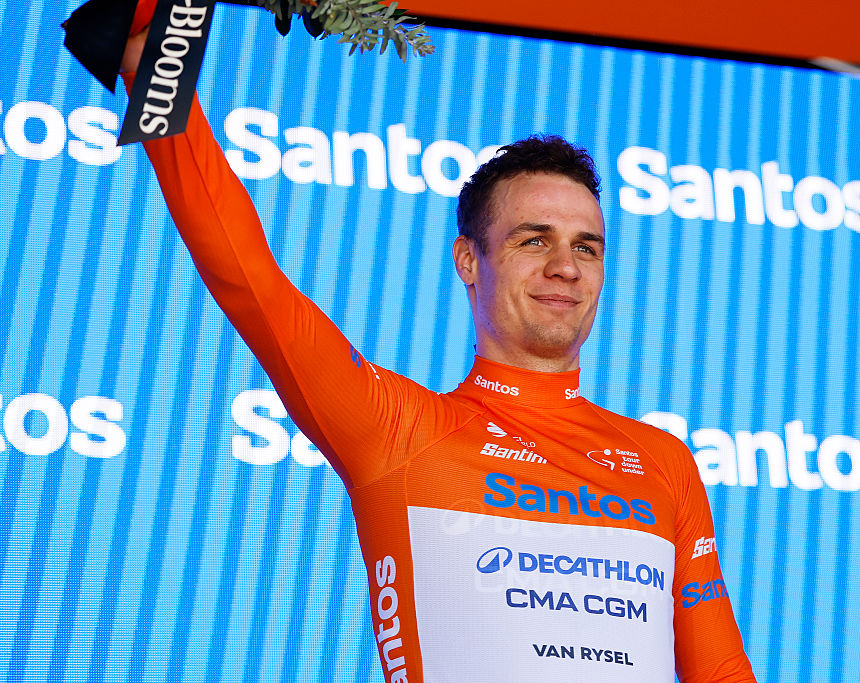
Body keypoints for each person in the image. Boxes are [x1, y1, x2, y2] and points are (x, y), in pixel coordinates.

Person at [118, 17, 756, 683]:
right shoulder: (397, 431)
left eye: (586, 247)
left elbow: (722, 672)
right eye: (533, 240)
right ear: (469, 260)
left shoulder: (663, 463)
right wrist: (155, 59)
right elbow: (247, 278)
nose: (566, 267)